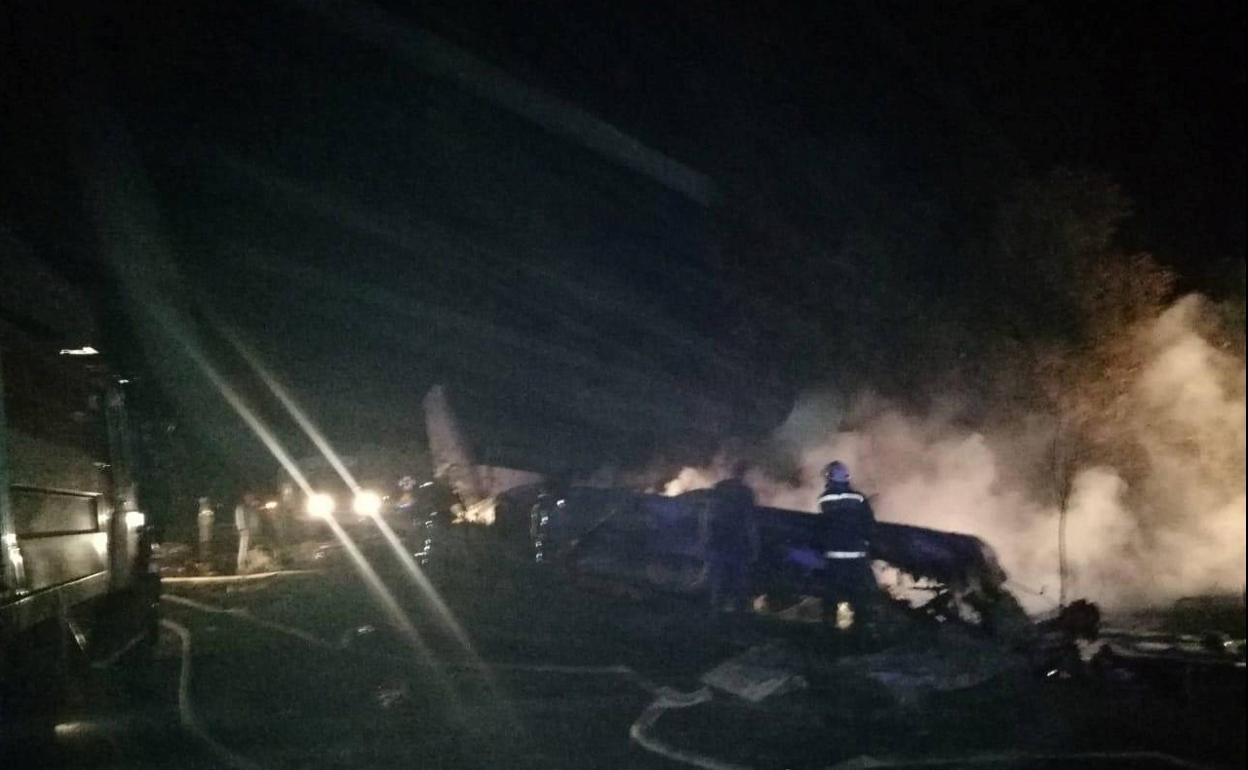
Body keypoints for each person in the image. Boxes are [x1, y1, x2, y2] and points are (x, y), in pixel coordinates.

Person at [816, 461, 878, 628]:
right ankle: (860, 630)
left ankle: (829, 630)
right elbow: (869, 525)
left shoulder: (824, 499)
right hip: (857, 557)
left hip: (834, 559)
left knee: (831, 597)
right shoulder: (858, 498)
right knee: (860, 597)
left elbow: (823, 527)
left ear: (829, 478)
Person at [705, 463, 759, 614]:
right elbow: (749, 521)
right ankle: (737, 611)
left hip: (719, 540)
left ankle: (716, 610)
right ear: (744, 474)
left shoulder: (719, 487)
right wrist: (754, 545)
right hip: (737, 542)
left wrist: (707, 537)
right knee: (738, 580)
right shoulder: (746, 492)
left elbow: (709, 514)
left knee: (718, 578)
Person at [234, 491, 262, 574]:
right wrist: (242, 529)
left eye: (252, 497)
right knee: (244, 548)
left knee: (253, 548)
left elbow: (256, 519)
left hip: (254, 532)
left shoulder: (252, 508)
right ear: (245, 497)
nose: (251, 498)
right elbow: (240, 519)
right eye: (249, 497)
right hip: (245, 531)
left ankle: (252, 565)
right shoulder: (241, 508)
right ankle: (241, 567)